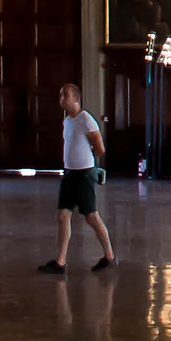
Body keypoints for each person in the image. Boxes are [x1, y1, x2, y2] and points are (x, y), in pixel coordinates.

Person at [38, 82, 115, 274]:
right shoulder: (67, 121)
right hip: (70, 174)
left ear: (75, 98)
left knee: (91, 217)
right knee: (63, 215)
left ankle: (109, 256)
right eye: (60, 95)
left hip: (84, 174)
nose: (61, 98)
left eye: (65, 95)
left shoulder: (85, 119)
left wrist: (89, 165)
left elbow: (99, 147)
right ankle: (60, 262)